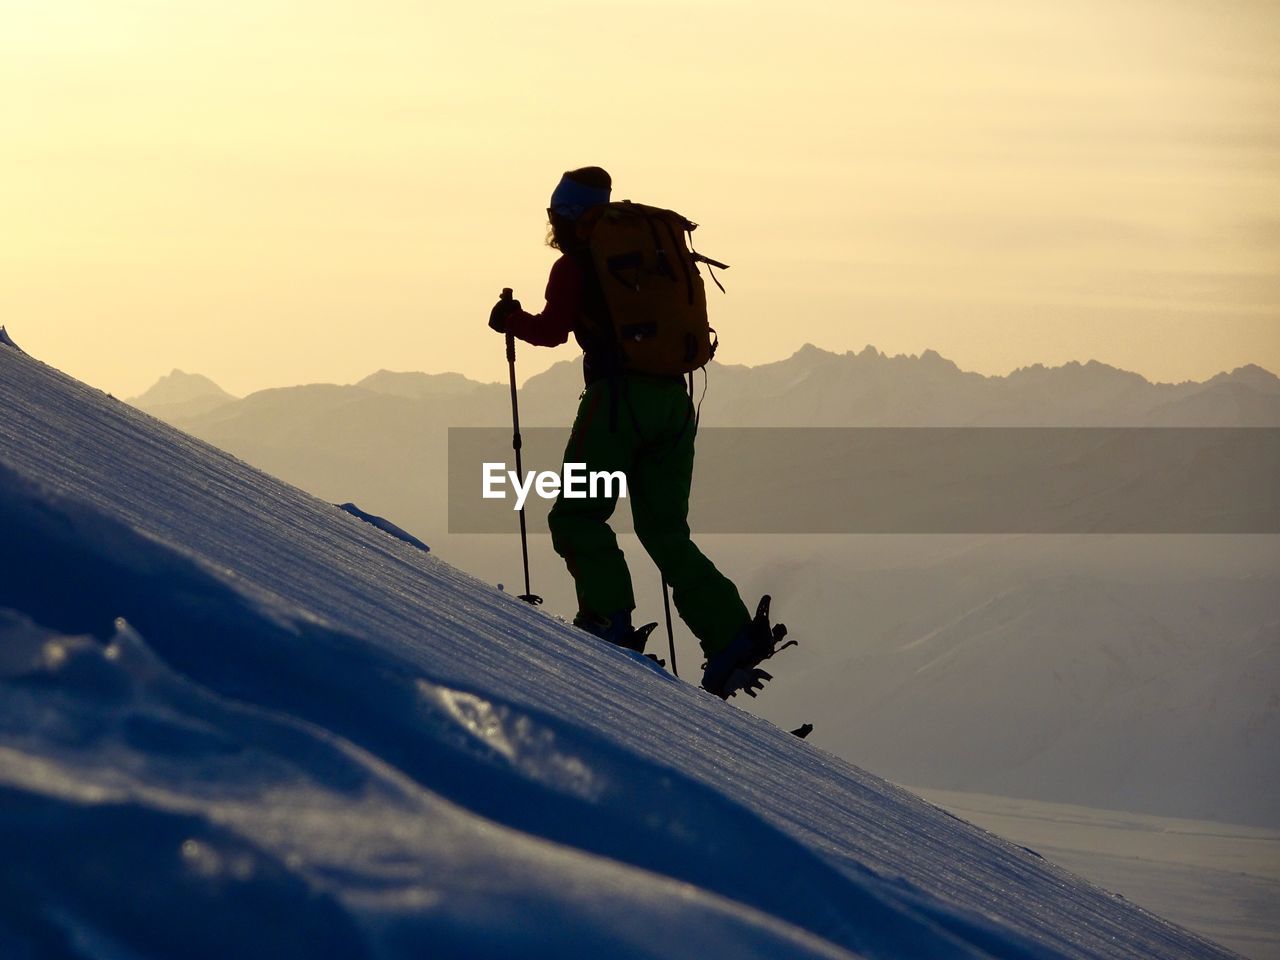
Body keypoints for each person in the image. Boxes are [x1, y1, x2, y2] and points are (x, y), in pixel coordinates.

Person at [488, 166, 779, 698]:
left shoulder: (575, 267)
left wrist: (513, 321)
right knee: (665, 531)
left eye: (554, 215)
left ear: (567, 216)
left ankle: (608, 620)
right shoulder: (645, 261)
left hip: (617, 402)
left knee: (577, 513)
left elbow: (553, 332)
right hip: (674, 401)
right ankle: (730, 633)